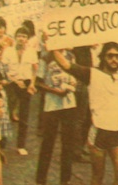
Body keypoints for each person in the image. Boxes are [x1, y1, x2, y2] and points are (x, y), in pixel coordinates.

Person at [53, 42, 118, 185]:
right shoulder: (92, 74)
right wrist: (52, 43)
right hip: (98, 134)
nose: (114, 59)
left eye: (117, 56)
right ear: (103, 57)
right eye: (110, 56)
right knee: (97, 176)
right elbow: (66, 65)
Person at [35, 50, 77, 185]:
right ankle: (41, 179)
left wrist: (72, 85)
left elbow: (75, 77)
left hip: (69, 104)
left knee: (68, 144)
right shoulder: (46, 57)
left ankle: (65, 179)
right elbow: (38, 83)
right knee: (48, 143)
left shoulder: (70, 56)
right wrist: (55, 91)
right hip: (52, 105)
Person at [1, 27, 38, 156]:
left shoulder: (31, 51)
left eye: (24, 36)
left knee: (24, 115)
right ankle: (1, 144)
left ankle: (21, 145)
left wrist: (32, 84)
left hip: (26, 83)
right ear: (15, 37)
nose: (21, 39)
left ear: (27, 39)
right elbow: (5, 69)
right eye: (19, 36)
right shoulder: (8, 51)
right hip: (12, 84)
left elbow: (34, 68)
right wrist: (16, 81)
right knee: (5, 112)